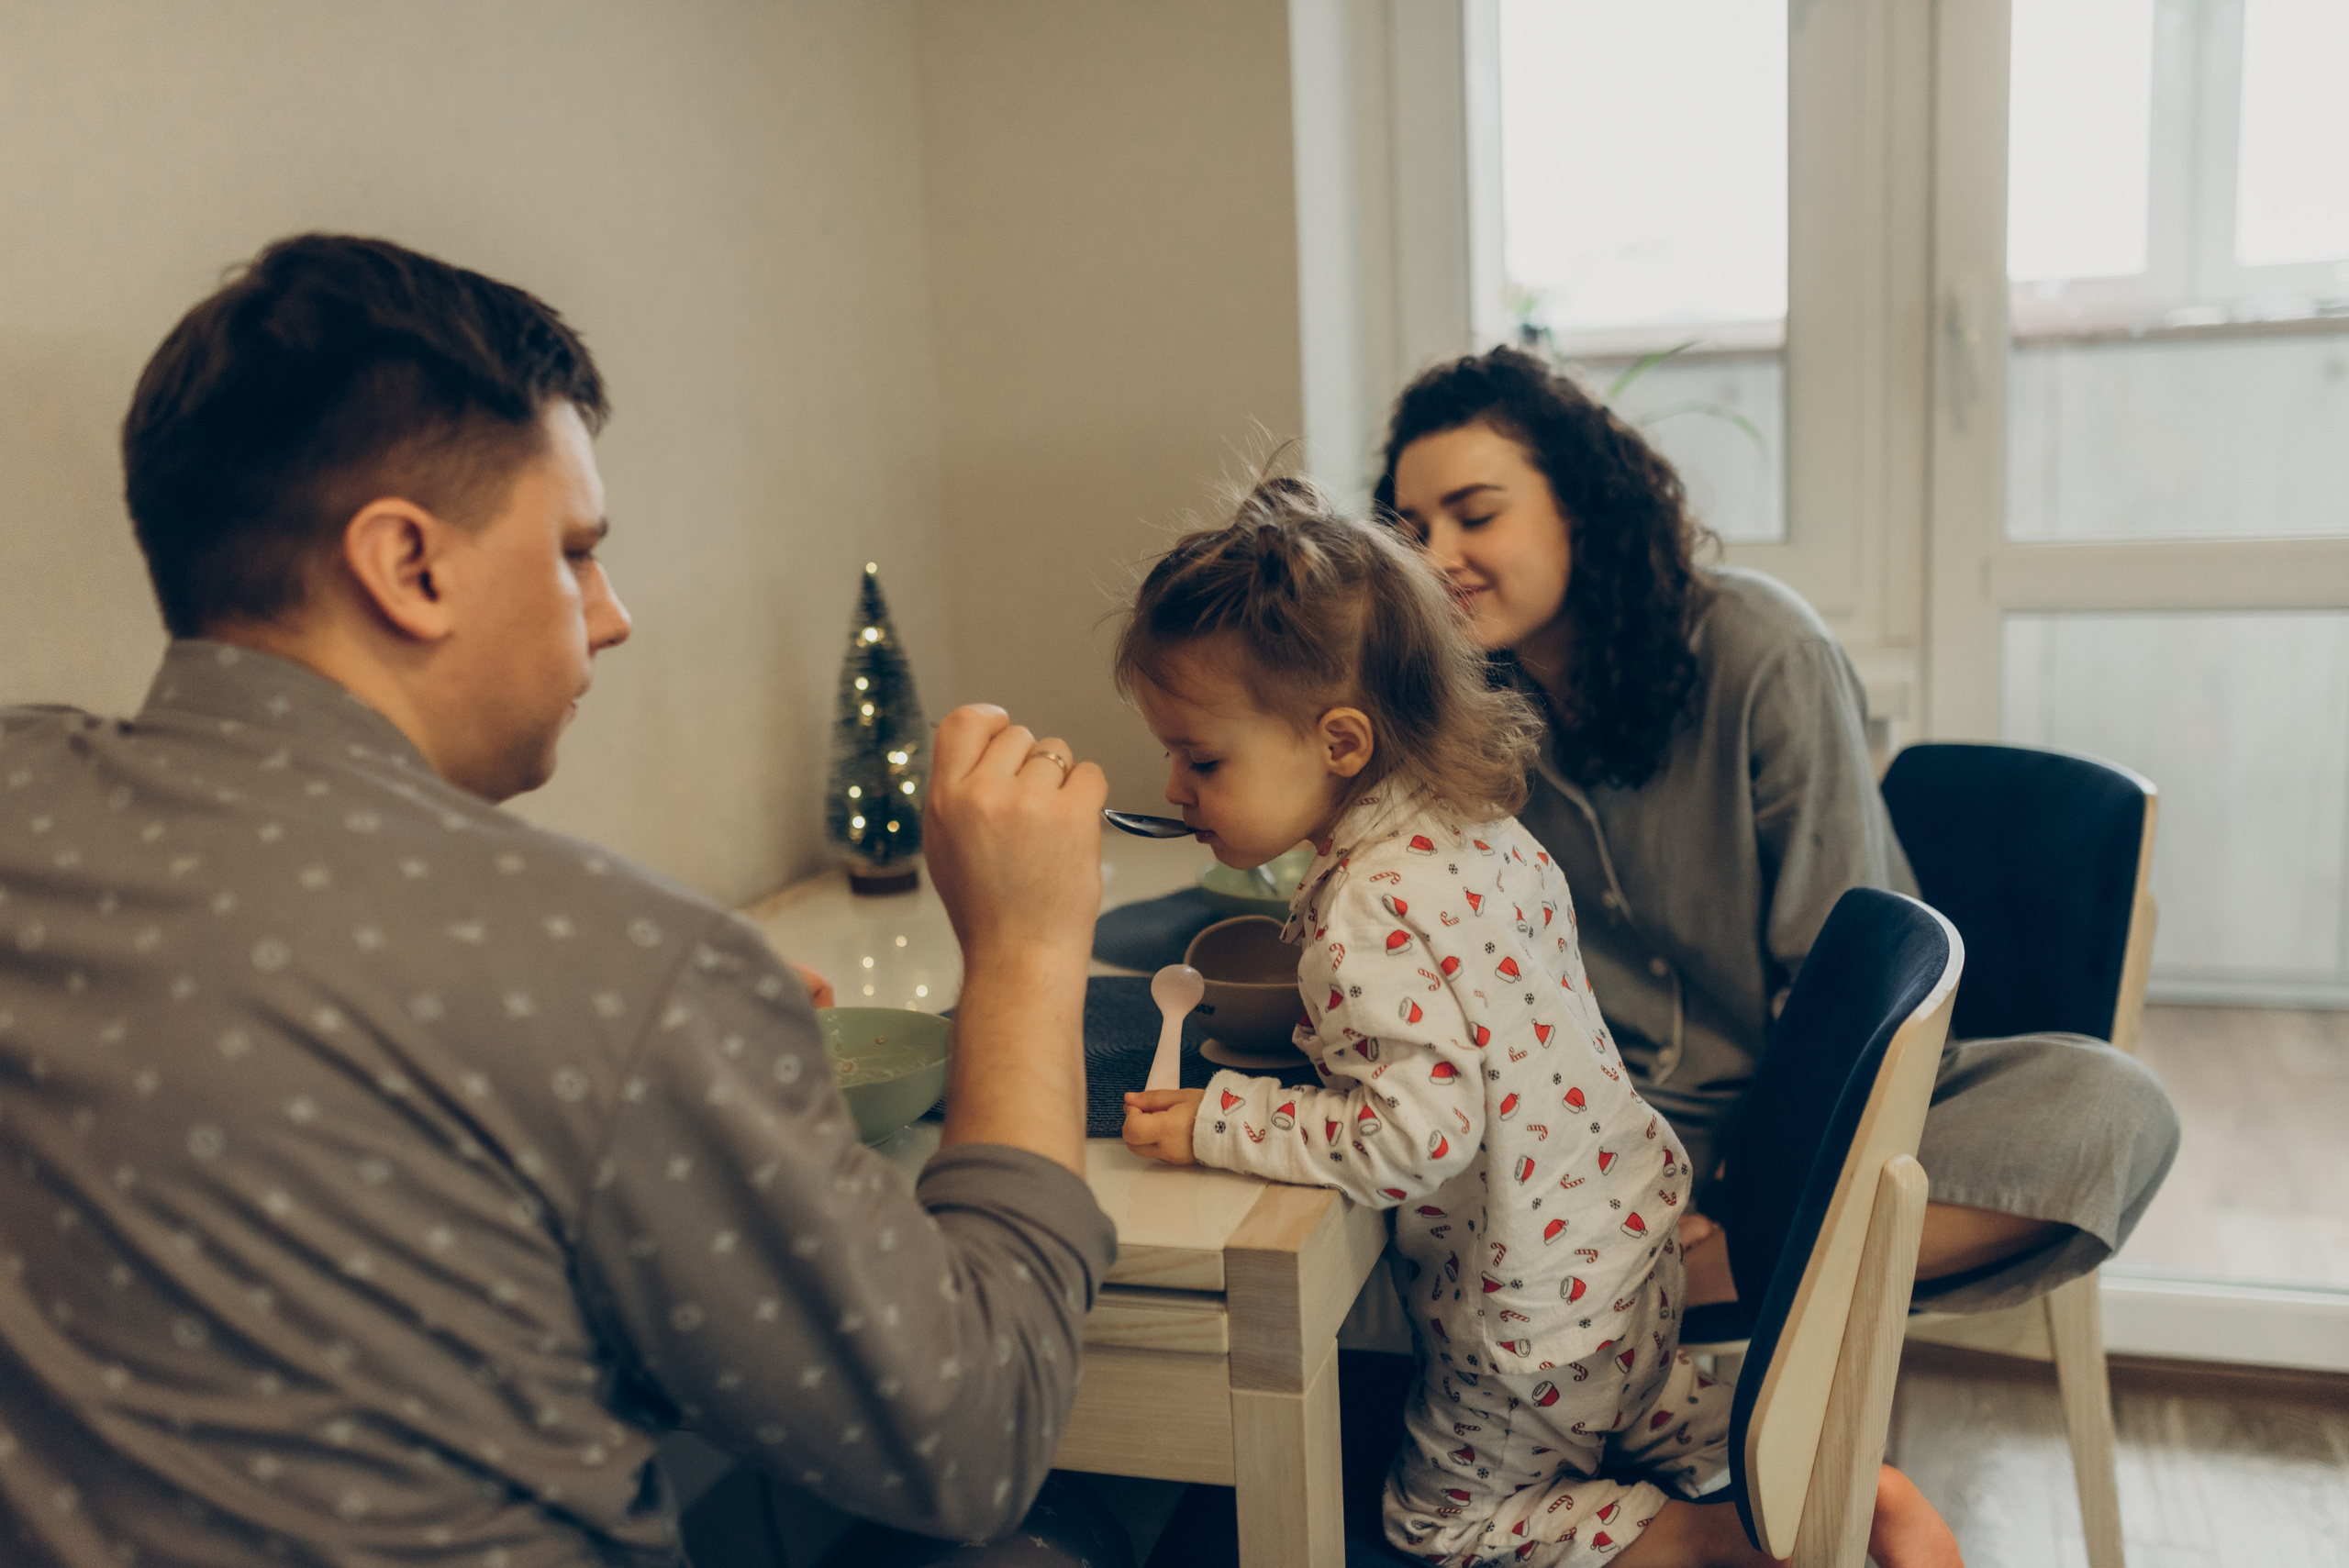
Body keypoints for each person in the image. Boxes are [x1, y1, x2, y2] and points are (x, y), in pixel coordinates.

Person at [0, 234, 1119, 1566]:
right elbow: (971, 1437)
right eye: (575, 550)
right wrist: (1030, 949)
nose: (611, 613)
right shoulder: (618, 965)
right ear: (409, 566)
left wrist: (676, 1047)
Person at [1114, 480, 1957, 1568]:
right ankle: (1845, 1489)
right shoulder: (1477, 825)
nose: (1173, 785)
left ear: (1337, 740)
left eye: (1203, 758)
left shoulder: (1362, 910)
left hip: (1522, 1318)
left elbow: (1413, 1136)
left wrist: (1216, 1119)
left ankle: (1718, 1545)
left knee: (1440, 1521)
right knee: (1634, 1408)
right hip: (1623, 1244)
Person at [1375, 345, 2180, 1316]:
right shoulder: (1449, 702)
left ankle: (1704, 1277)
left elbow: (1854, 993)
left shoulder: (1761, 651)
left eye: (1477, 513)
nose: (1435, 557)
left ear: (1578, 507)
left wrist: (1733, 1192)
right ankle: (1660, 1296)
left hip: (1803, 1115)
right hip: (1571, 1128)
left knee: (2111, 1108)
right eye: (1410, 529)